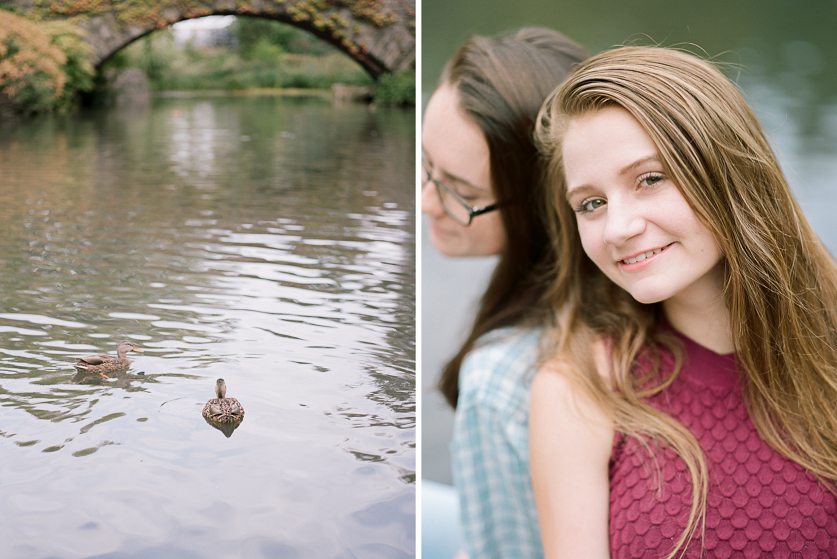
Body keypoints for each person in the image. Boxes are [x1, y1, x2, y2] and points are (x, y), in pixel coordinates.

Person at [531, 45, 837, 559]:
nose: (618, 228)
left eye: (649, 179)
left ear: (728, 172)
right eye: (591, 203)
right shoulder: (576, 393)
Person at [422, 27, 587, 558]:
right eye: (426, 164)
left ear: (546, 207)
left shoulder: (503, 379)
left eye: (459, 192)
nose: (426, 202)